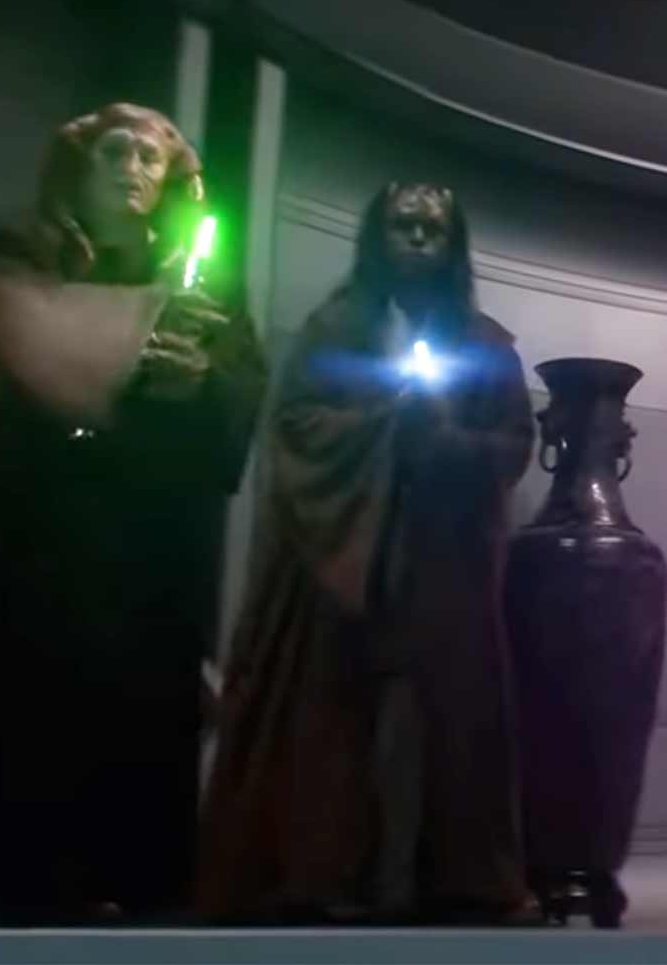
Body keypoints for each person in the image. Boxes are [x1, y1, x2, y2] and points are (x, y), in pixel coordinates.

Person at [0, 103, 265, 923]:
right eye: (116, 152)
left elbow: (237, 390)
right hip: (20, 544)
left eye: (151, 158)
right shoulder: (18, 257)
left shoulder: (206, 288)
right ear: (80, 166)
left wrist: (197, 386)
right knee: (5, 750)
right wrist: (141, 350)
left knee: (125, 759)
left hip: (141, 555)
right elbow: (51, 361)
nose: (133, 169)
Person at [196, 183, 538, 925]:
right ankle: (323, 875)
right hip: (343, 555)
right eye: (402, 225)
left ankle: (452, 879)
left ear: (453, 246)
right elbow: (295, 425)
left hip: (442, 563)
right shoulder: (334, 330)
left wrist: (443, 442)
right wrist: (384, 425)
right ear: (376, 238)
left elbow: (512, 444)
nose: (416, 239)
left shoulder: (484, 345)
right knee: (330, 714)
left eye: (432, 229)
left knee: (449, 721)